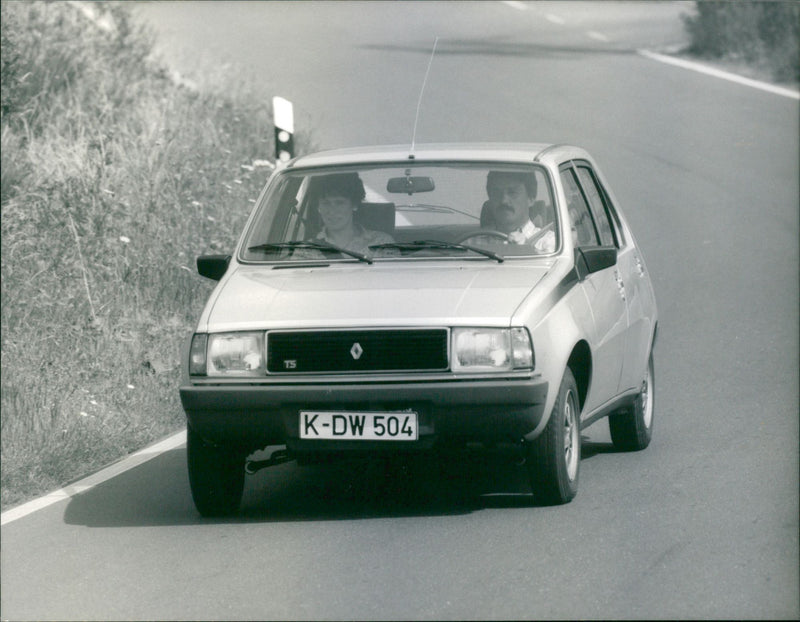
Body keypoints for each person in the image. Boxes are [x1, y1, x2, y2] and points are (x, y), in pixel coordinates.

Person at [308, 173, 394, 255]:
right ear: (318, 207)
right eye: (326, 203)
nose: (332, 211)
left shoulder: (382, 243)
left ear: (354, 205)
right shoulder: (308, 250)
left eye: (339, 203)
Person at [482, 170, 555, 252]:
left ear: (530, 199)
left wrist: (527, 250)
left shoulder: (549, 241)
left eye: (512, 193)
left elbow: (552, 263)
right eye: (497, 193)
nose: (504, 200)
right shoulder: (473, 244)